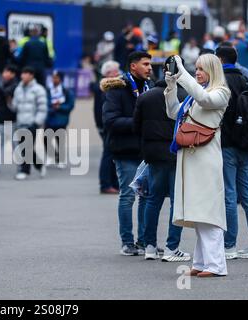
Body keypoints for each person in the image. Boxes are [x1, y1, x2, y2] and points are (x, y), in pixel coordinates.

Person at [164, 54, 231, 277]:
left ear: (213, 70)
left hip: (206, 158)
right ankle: (202, 262)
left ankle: (216, 265)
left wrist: (181, 73)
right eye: (197, 68)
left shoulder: (221, 92)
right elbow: (173, 112)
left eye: (202, 69)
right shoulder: (196, 94)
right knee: (199, 210)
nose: (197, 72)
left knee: (208, 211)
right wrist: (171, 85)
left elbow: (204, 99)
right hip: (193, 156)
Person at [133, 59, 190, 262]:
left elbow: (136, 126)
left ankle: (149, 246)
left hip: (153, 153)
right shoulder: (184, 95)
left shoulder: (145, 97)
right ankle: (171, 247)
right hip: (176, 152)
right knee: (176, 201)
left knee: (153, 199)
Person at [102, 51, 153, 255]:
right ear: (133, 66)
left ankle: (144, 241)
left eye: (150, 64)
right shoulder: (117, 89)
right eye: (145, 64)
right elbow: (110, 121)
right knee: (128, 196)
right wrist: (139, 123)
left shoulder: (151, 87)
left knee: (146, 197)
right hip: (124, 151)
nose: (150, 68)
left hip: (146, 151)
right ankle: (127, 242)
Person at [215, 46, 248, 260]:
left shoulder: (220, 81)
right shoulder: (247, 79)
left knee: (229, 194)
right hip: (246, 143)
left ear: (218, 59)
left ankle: (229, 244)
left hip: (227, 143)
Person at [11, 66, 47, 180]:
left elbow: (42, 108)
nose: (23, 76)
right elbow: (14, 106)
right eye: (22, 73)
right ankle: (40, 165)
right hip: (20, 122)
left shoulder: (39, 89)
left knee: (27, 146)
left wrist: (37, 122)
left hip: (32, 123)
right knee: (25, 147)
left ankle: (25, 171)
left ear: (31, 75)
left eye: (26, 73)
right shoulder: (18, 88)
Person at [91, 60, 120, 194]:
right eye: (116, 71)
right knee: (108, 154)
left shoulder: (108, 86)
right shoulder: (104, 87)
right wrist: (102, 126)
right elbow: (101, 109)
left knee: (112, 154)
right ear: (108, 73)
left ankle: (113, 183)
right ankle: (105, 184)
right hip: (106, 125)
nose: (118, 74)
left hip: (106, 124)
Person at [44, 70, 75, 168]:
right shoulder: (48, 90)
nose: (54, 80)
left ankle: (61, 159)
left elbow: (70, 105)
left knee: (60, 139)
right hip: (49, 118)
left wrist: (60, 107)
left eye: (56, 78)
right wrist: (51, 108)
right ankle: (51, 155)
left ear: (60, 79)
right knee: (46, 139)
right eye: (53, 77)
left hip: (61, 119)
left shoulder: (67, 91)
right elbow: (44, 103)